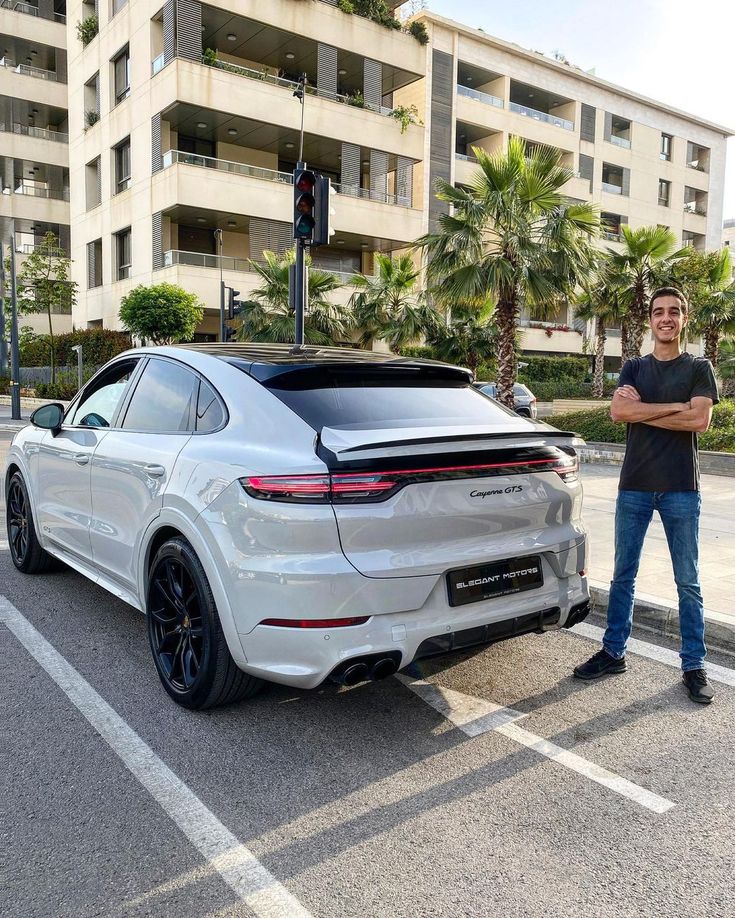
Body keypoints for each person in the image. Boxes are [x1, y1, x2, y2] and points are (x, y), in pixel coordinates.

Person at [573, 287, 719, 704]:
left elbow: (701, 421)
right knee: (624, 576)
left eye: (674, 311)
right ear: (651, 320)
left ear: (684, 318)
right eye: (659, 312)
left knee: (687, 581)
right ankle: (614, 652)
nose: (666, 318)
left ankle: (694, 665)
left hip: (680, 489)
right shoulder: (633, 367)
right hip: (634, 485)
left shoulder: (699, 367)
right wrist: (676, 407)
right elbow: (620, 413)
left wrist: (651, 409)